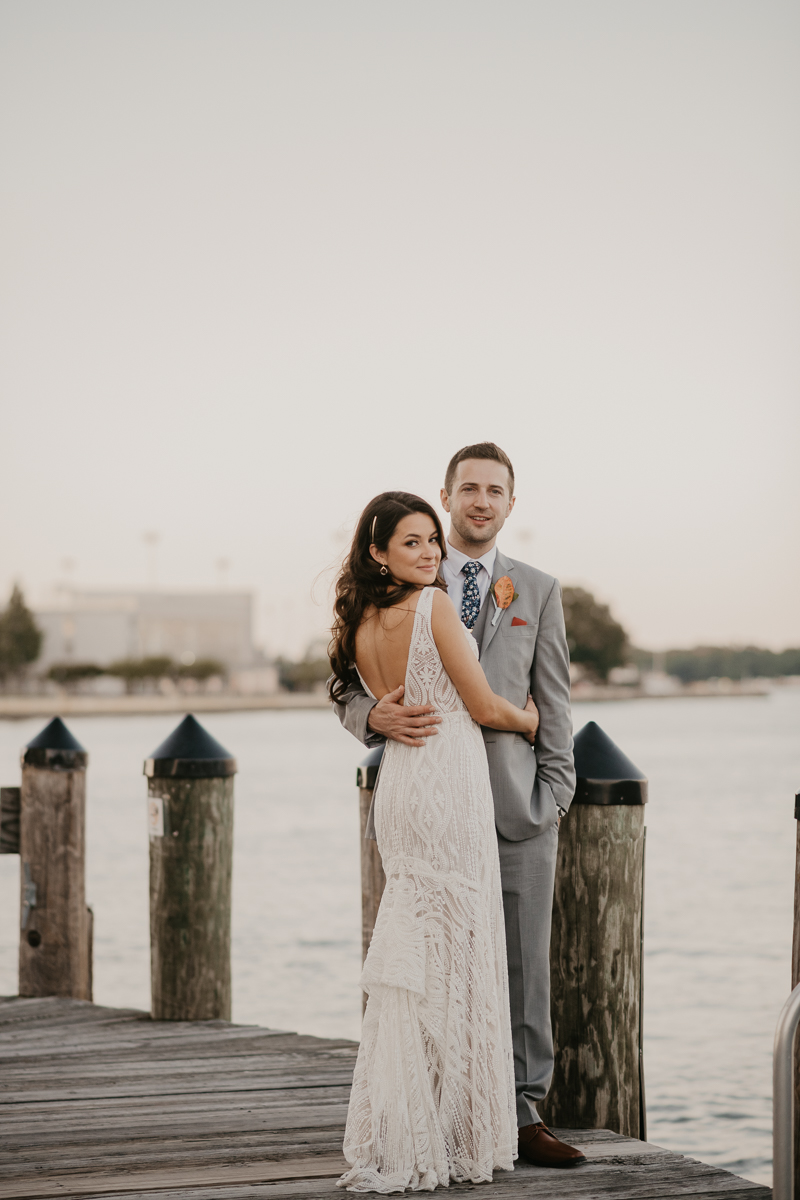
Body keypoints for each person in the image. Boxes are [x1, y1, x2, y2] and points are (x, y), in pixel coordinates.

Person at [336, 443, 585, 1171]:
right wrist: (370, 720)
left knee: (521, 966)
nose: (481, 501)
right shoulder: (409, 578)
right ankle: (445, 1112)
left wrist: (556, 791)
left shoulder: (537, 589)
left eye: (495, 490)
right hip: (438, 806)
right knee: (440, 961)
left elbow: (556, 697)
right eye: (468, 488)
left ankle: (523, 1111)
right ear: (445, 495)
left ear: (512, 504)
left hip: (515, 807)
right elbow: (344, 687)